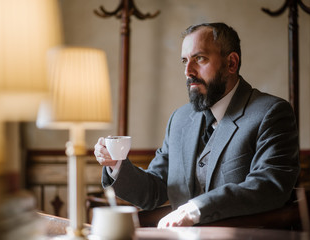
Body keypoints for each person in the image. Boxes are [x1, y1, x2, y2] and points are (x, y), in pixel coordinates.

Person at [94, 22, 299, 227]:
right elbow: (153, 191)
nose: (188, 71)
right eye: (184, 61)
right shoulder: (180, 119)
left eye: (199, 58)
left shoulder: (271, 113)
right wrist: (116, 164)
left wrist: (195, 209)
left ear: (231, 63)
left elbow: (269, 186)